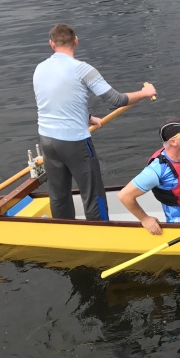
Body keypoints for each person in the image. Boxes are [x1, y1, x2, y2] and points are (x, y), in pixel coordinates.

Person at [33, 23, 157, 221]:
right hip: (75, 143)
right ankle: (100, 231)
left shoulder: (40, 69)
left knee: (58, 194)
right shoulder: (82, 69)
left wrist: (88, 118)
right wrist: (145, 93)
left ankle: (63, 230)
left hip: (47, 140)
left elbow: (56, 101)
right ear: (76, 41)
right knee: (92, 193)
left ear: (51, 44)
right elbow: (117, 99)